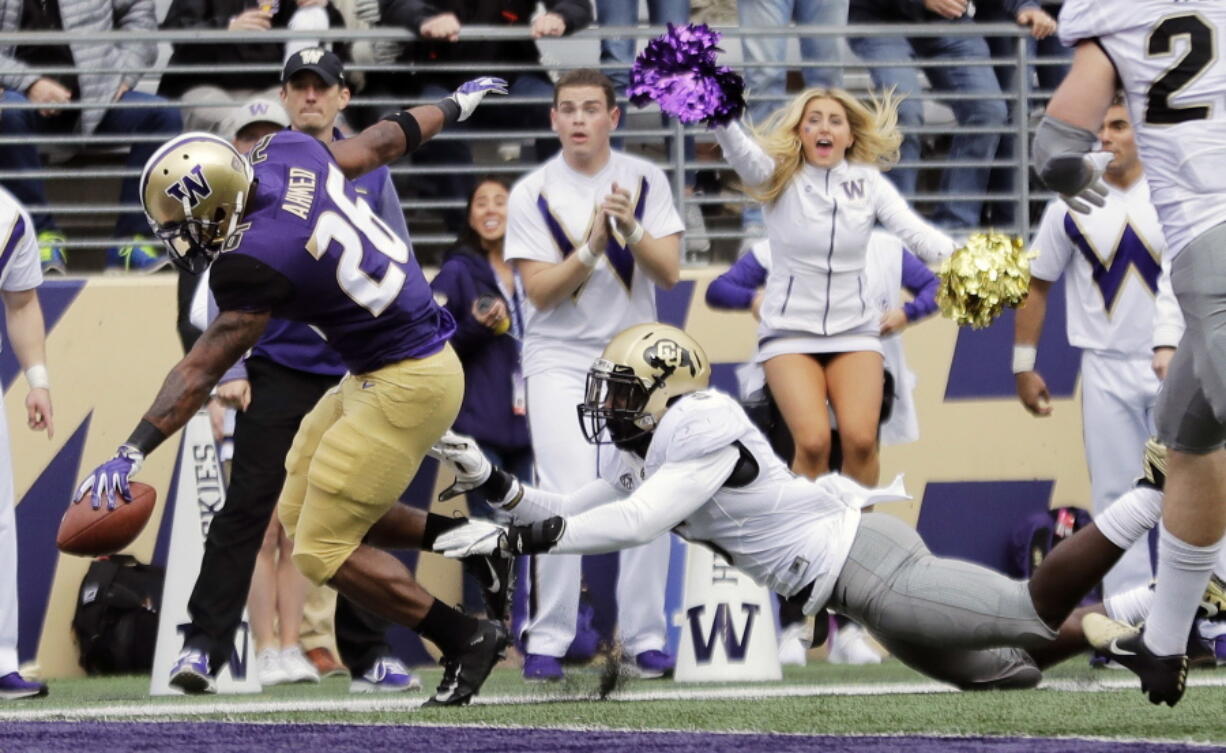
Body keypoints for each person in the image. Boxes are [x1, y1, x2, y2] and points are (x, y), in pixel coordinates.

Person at [426, 323, 1205, 691]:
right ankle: (1134, 608)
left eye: (624, 391)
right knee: (1009, 670)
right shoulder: (649, 443)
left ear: (667, 388)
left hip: (866, 566)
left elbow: (633, 524)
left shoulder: (702, 424)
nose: (611, 406)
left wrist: (513, 543)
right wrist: (491, 481)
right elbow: (564, 503)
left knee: (1029, 612)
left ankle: (1150, 490)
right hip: (853, 587)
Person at [73, 74, 514, 707]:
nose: (184, 235)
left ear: (222, 199)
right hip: (380, 365)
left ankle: (464, 634)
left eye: (188, 220)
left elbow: (199, 369)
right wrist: (454, 103)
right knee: (294, 508)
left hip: (407, 378)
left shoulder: (253, 260)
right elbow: (386, 138)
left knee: (321, 550)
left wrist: (131, 450)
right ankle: (477, 541)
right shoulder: (290, 151)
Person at [167, 50, 434, 695]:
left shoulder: (369, 166)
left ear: (343, 97)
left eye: (322, 87)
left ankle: (369, 653)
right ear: (285, 96)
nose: (310, 97)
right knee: (248, 506)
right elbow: (211, 276)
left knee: (364, 507)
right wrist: (231, 359)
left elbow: (398, 257)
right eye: (299, 87)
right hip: (281, 359)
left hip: (355, 364)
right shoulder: (252, 167)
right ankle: (203, 645)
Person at [1031, 0, 1226, 706]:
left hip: (1212, 243)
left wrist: (1076, 184)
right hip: (1204, 263)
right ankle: (1165, 640)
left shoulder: (1116, 8)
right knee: (1188, 433)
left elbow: (1053, 147)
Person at [504, 68, 684, 682]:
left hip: (633, 357)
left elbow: (669, 273)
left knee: (650, 489)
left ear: (613, 117)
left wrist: (631, 229)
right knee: (563, 489)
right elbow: (540, 293)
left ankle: (643, 637)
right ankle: (548, 638)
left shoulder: (647, 179)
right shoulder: (531, 191)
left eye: (590, 108)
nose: (578, 119)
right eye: (567, 109)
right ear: (552, 119)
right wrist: (589, 248)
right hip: (557, 357)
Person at [706, 231, 938, 666]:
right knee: (798, 509)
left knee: (850, 510)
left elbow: (934, 286)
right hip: (794, 387)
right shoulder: (781, 239)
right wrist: (756, 302)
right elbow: (722, 287)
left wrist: (907, 314)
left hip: (861, 380)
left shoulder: (884, 246)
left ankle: (850, 627)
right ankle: (797, 624)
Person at [712, 86, 955, 485]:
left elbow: (916, 234)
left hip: (855, 330)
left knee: (861, 442)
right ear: (800, 133)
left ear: (850, 135)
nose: (824, 128)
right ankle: (802, 540)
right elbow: (742, 155)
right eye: (813, 121)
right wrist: (720, 116)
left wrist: (970, 259)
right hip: (789, 331)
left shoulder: (869, 183)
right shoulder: (778, 176)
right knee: (812, 443)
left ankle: (859, 540)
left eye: (835, 121)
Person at [1014, 99, 1170, 606]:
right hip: (1104, 366)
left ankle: (1216, 618)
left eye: (1119, 126)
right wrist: (1023, 365)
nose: (1106, 137)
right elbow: (1036, 284)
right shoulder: (1068, 204)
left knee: (1203, 494)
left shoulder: (1175, 195)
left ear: (1141, 132)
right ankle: (1126, 617)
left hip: (1180, 363)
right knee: (1115, 498)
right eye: (1098, 128)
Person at [374, 0, 592, 232]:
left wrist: (561, 16)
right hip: (444, 79)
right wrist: (425, 19)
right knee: (434, 127)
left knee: (561, 114)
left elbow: (575, 4)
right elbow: (396, 4)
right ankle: (469, 237)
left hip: (511, 77)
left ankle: (560, 227)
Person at [0, 0, 183, 273]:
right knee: (7, 111)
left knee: (162, 115)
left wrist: (124, 72)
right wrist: (29, 82)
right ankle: (38, 238)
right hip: (16, 99)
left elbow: (138, 11)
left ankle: (132, 243)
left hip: (96, 101)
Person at [846, 0, 1050, 230]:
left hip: (949, 21)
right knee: (904, 113)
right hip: (878, 20)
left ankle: (953, 233)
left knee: (988, 112)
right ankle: (893, 234)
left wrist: (1026, 6)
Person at [429, 177, 532, 616]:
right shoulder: (458, 270)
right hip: (479, 421)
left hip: (530, 423)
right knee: (485, 529)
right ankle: (486, 628)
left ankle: (527, 627)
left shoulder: (535, 267)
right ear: (470, 215)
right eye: (481, 202)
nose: (491, 209)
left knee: (529, 528)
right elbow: (434, 346)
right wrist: (476, 328)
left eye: (501, 201)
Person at [0, 186, 53, 700]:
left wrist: (37, 379)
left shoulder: (7, 214)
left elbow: (21, 303)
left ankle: (0, 657)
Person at [157, 0, 345, 134]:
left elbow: (338, 42)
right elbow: (176, 30)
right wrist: (227, 28)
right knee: (238, 122)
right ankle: (234, 186)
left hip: (270, 88)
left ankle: (276, 186)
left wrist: (325, 7)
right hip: (205, 85)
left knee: (296, 117)